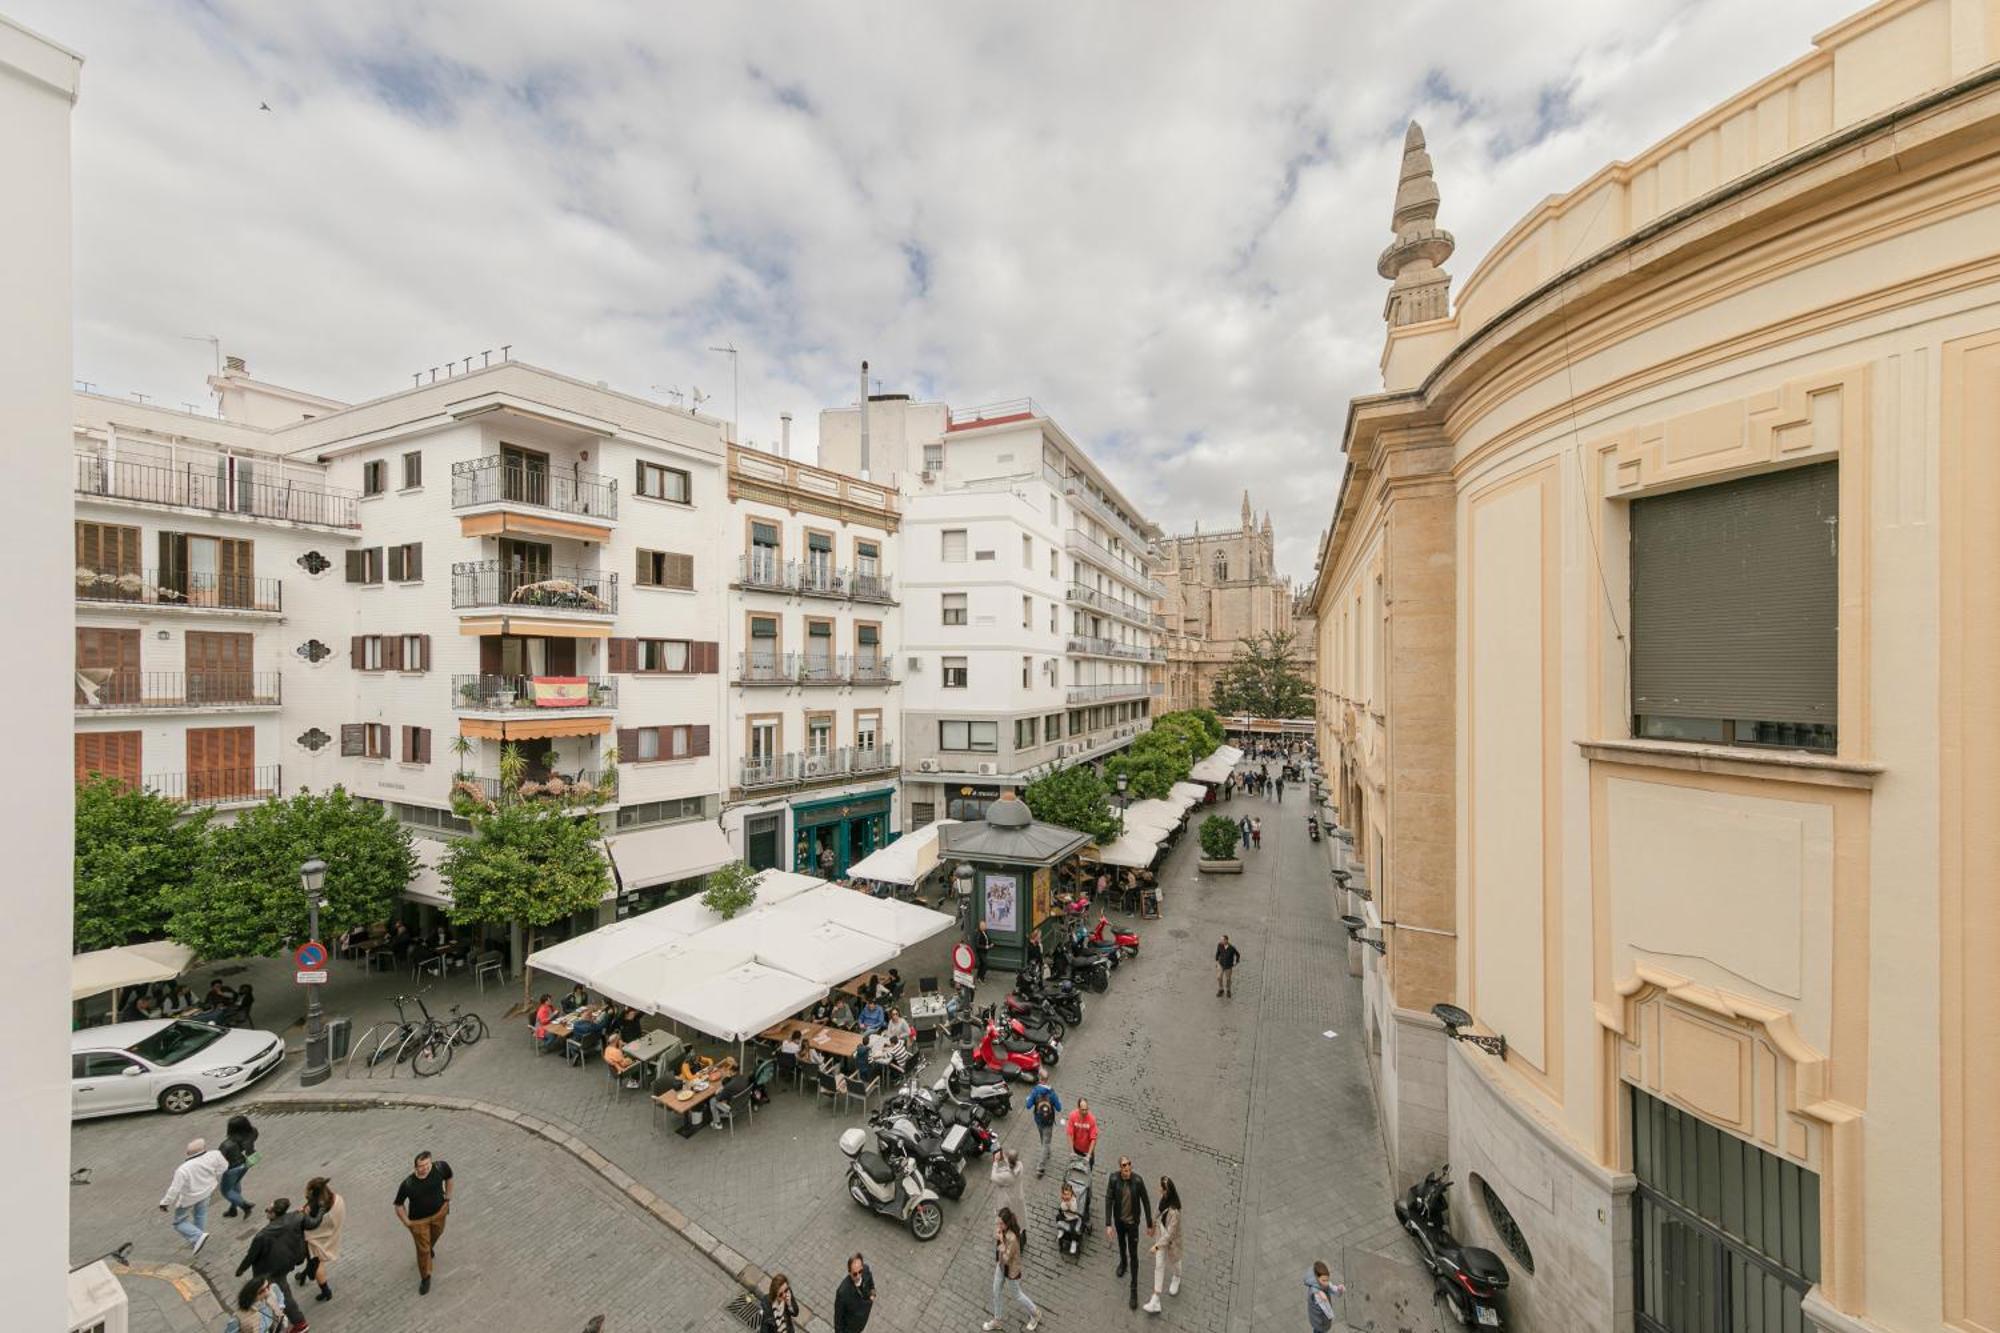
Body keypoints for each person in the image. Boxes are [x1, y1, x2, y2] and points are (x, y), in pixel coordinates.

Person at [234, 1197, 318, 1332]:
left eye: (269, 1209)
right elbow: (313, 1223)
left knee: (282, 1294)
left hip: (268, 1271)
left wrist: (240, 1270)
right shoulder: (295, 1218)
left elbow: (251, 1256)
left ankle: (299, 1323)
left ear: (274, 1214)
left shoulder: (262, 1235)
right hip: (285, 1264)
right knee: (276, 1292)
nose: (266, 1210)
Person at [392, 1150, 452, 1295]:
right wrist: (407, 1222)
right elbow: (398, 1205)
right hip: (419, 1221)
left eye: (427, 1164)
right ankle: (425, 1277)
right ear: (415, 1168)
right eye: (421, 1166)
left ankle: (429, 1246)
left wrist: (448, 1198)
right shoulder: (408, 1184)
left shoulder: (440, 1168)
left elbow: (449, 1178)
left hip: (439, 1213)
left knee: (437, 1234)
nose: (425, 1168)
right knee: (423, 1250)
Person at [159, 1137, 228, 1253]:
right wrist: (213, 1175)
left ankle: (197, 1237)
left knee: (179, 1222)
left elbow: (174, 1189)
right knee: (200, 1214)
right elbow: (224, 1167)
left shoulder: (183, 1169)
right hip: (207, 1191)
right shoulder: (215, 1154)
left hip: (189, 1198)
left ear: (188, 1153)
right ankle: (199, 1238)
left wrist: (165, 1203)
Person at [1104, 1155, 1156, 1309]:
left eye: (1129, 1167)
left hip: (1133, 1224)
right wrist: (1108, 1224)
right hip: (1120, 1221)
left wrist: (1149, 1223)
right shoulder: (1114, 1179)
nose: (1127, 1171)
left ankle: (1134, 1289)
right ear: (1120, 1169)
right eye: (1124, 1168)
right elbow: (1108, 1199)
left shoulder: (1138, 1181)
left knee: (1134, 1254)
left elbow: (1146, 1201)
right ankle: (1123, 1263)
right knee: (1121, 1244)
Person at [984, 1208, 1039, 1331]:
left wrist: (1002, 1244)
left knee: (1017, 1295)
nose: (998, 1226)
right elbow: (996, 1237)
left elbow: (1007, 1258)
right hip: (1001, 1266)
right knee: (996, 1291)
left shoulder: (1013, 1238)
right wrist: (998, 1235)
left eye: (1001, 1224)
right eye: (998, 1223)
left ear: (1007, 1224)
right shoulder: (1002, 1229)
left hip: (1010, 1270)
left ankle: (1035, 1313)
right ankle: (997, 1320)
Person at [1141, 1176, 1184, 1313]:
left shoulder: (1175, 1212)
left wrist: (1157, 1246)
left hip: (1170, 1242)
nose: (1159, 1188)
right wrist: (1151, 1225)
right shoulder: (1163, 1200)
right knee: (1159, 1265)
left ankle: (1177, 1276)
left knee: (1175, 1262)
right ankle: (1156, 1298)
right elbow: (1157, 1212)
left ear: (1166, 1191)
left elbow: (1170, 1235)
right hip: (1161, 1235)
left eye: (1161, 1187)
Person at [298, 1176, 342, 1303]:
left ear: (312, 1191)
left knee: (316, 1262)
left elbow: (311, 1223)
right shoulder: (331, 1197)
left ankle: (326, 1291)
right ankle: (304, 1274)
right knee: (313, 1262)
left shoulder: (315, 1206)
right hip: (328, 1233)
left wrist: (303, 1214)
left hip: (317, 1239)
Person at [219, 1113, 260, 1218]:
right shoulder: (253, 1132)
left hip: (231, 1168)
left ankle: (244, 1205)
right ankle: (233, 1209)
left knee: (226, 1191)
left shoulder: (227, 1144)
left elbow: (219, 1159)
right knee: (235, 1185)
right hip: (246, 1163)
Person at [1025, 1077, 1063, 1176]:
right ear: (1047, 1080)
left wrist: (1028, 1099)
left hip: (1038, 1121)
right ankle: (1040, 1167)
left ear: (1040, 1080)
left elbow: (1028, 1106)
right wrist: (1058, 1101)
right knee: (1046, 1142)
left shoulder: (1035, 1092)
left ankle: (1047, 1152)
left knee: (1043, 1139)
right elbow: (1059, 1108)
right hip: (1049, 1122)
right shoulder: (1052, 1093)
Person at [990, 1147, 1029, 1244]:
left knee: (1008, 1220)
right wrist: (1005, 1158)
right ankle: (1022, 1236)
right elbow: (1010, 1165)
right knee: (1020, 1218)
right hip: (1018, 1197)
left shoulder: (1008, 1176)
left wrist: (995, 1162)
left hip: (1007, 1201)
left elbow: (993, 1177)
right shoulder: (1020, 1165)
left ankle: (1008, 1239)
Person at [223, 1277, 288, 1333]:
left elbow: (280, 1297)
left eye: (267, 1286)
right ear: (252, 1296)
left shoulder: (273, 1290)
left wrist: (280, 1310)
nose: (267, 1291)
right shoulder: (239, 1318)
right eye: (262, 1291)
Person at [832, 1253, 875, 1333]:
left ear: (862, 1267)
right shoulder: (842, 1293)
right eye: (855, 1274)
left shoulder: (866, 1270)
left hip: (862, 1322)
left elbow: (871, 1285)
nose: (858, 1276)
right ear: (849, 1272)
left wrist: (873, 1295)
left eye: (860, 1271)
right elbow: (838, 1320)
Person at [1306, 1261, 1347, 1331]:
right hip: (1319, 1320)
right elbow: (1327, 1310)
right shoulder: (1316, 1294)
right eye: (1324, 1280)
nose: (1326, 1283)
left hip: (1319, 1319)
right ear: (1316, 1278)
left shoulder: (1322, 1283)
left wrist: (1339, 1289)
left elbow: (1332, 1288)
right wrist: (1322, 1297)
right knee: (1318, 1331)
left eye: (1327, 1280)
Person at [1066, 1097, 1099, 1166]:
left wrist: (1089, 1155)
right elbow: (1069, 1134)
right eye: (1082, 1110)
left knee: (1089, 1168)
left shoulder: (1092, 1119)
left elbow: (1093, 1139)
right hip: (1076, 1148)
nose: (1084, 1112)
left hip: (1087, 1150)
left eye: (1086, 1109)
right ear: (1078, 1108)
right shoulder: (1072, 1116)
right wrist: (1072, 1151)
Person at [1056, 1182, 1086, 1256]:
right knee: (1058, 1217)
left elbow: (1074, 1209)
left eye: (1067, 1194)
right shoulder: (1064, 1200)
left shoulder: (1073, 1200)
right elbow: (1062, 1207)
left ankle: (1074, 1241)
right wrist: (1065, 1205)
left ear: (1071, 1194)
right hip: (1066, 1216)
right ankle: (1061, 1230)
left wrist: (1069, 1206)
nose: (1066, 1196)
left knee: (1073, 1228)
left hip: (1073, 1218)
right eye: (1064, 1194)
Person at [1215, 935, 1242, 999]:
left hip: (1228, 966)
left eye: (1222, 940)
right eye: (1220, 940)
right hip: (1221, 964)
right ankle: (1221, 989)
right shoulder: (1219, 945)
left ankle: (1228, 990)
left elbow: (1237, 954)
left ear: (1226, 940)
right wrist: (1216, 961)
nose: (1220, 941)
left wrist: (1236, 961)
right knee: (1219, 977)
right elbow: (1218, 953)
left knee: (1228, 979)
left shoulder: (1232, 948)